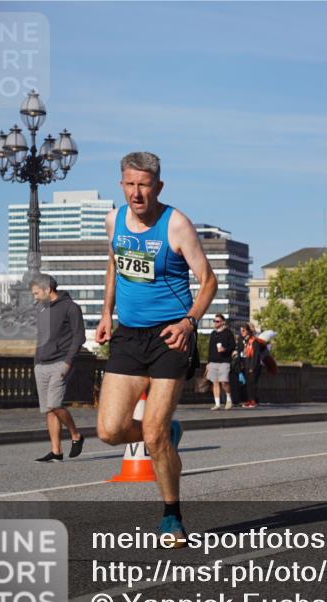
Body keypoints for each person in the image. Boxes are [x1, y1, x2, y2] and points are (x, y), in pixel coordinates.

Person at [95, 151, 217, 545]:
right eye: (130, 184)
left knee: (154, 434)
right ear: (121, 185)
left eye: (144, 185)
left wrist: (189, 323)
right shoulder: (113, 219)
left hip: (171, 336)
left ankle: (172, 516)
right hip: (129, 336)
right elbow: (114, 264)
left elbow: (208, 280)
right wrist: (105, 314)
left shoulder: (176, 224)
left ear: (158, 186)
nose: (137, 192)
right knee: (110, 431)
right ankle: (164, 433)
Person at [30, 274, 86, 462]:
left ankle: (76, 435)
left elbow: (79, 337)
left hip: (61, 363)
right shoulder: (42, 310)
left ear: (48, 289)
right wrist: (37, 361)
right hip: (42, 365)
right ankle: (56, 450)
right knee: (48, 409)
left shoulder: (71, 307)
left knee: (55, 404)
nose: (35, 297)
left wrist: (68, 362)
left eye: (37, 293)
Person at [206, 314, 236, 410]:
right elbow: (210, 349)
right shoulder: (213, 333)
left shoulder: (228, 333)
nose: (215, 323)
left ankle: (228, 400)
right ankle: (217, 404)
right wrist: (208, 363)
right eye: (214, 321)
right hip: (213, 362)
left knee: (224, 382)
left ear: (223, 322)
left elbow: (232, 347)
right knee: (215, 382)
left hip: (224, 361)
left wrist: (225, 349)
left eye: (217, 321)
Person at [241, 324, 266, 408]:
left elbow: (255, 355)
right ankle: (249, 400)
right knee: (248, 384)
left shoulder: (254, 341)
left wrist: (252, 367)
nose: (242, 332)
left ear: (248, 331)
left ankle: (253, 401)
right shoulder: (246, 341)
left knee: (252, 384)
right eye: (241, 331)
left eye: (243, 330)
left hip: (253, 366)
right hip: (247, 365)